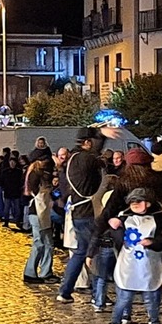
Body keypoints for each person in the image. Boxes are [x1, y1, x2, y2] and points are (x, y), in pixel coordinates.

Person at [102, 188, 162, 324]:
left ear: (148, 203)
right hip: (129, 264)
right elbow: (114, 238)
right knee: (124, 296)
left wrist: (152, 242)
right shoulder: (124, 218)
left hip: (149, 265)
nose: (135, 204)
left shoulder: (158, 219)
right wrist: (115, 227)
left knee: (151, 297)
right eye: (132, 202)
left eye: (139, 201)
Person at [55, 127, 106, 304]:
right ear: (87, 142)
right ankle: (99, 296)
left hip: (78, 211)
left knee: (80, 253)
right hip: (88, 211)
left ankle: (65, 290)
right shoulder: (87, 159)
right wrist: (104, 135)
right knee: (95, 252)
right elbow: (102, 161)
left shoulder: (72, 159)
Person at [23, 159, 57, 284]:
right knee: (40, 243)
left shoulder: (37, 175)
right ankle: (30, 272)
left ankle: (45, 272)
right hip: (38, 213)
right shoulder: (37, 176)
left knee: (47, 243)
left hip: (41, 213)